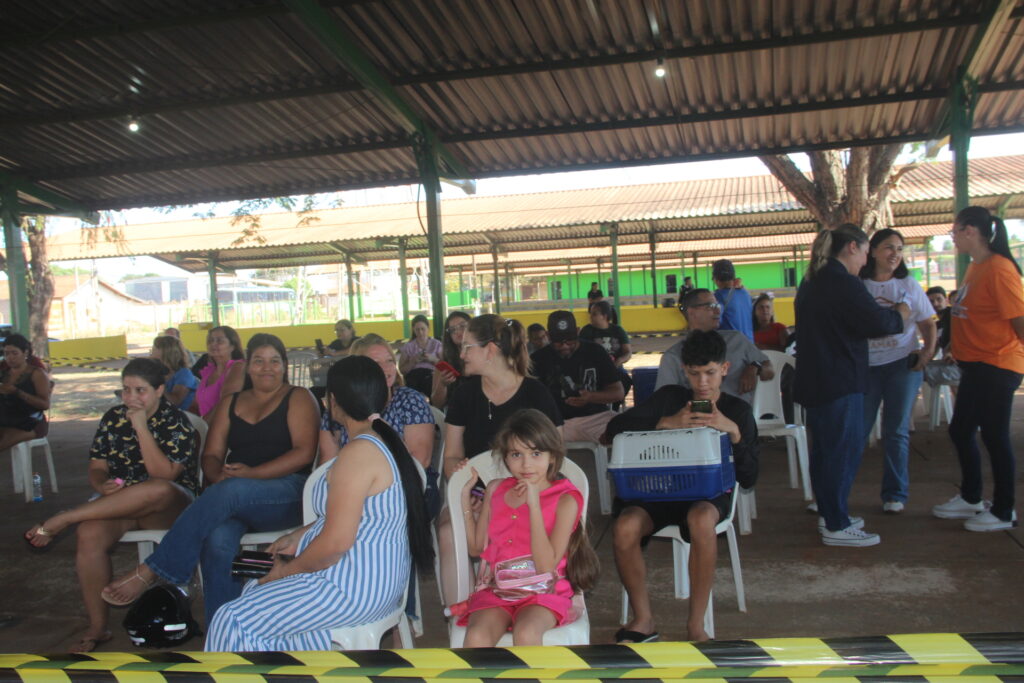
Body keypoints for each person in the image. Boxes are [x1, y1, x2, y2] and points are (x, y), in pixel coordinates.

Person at [204, 355, 434, 651]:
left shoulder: (359, 453)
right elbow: (356, 516)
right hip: (371, 584)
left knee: (231, 618)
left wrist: (287, 570)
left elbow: (336, 544)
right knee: (252, 596)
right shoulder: (381, 442)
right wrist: (298, 536)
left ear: (332, 401)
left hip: (348, 588)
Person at [102, 334, 320, 625]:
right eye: (258, 361)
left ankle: (156, 568)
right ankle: (224, 631)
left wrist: (249, 476)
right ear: (247, 366)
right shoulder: (231, 403)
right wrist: (217, 475)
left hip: (286, 493)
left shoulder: (298, 397)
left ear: (284, 365)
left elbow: (304, 454)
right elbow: (212, 453)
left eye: (274, 361)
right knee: (218, 539)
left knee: (232, 491)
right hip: (232, 497)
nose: (266, 368)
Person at [24, 358, 198, 653]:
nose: (131, 398)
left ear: (158, 390)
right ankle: (97, 627)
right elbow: (96, 466)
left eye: (140, 390)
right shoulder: (113, 418)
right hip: (121, 503)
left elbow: (164, 476)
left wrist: (141, 428)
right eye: (126, 390)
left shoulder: (176, 421)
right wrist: (100, 482)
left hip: (169, 507)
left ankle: (67, 517)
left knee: (155, 489)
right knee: (89, 533)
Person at [606, 330, 758, 643]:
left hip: (708, 495)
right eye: (694, 374)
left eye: (710, 373)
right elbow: (613, 429)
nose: (703, 382)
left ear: (725, 369)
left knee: (701, 518)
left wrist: (734, 434)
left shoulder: (738, 412)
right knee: (625, 526)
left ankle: (695, 625)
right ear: (684, 371)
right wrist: (664, 422)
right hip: (659, 492)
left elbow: (750, 477)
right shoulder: (670, 399)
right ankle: (643, 619)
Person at [795, 224, 909, 547]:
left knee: (826, 452)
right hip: (839, 380)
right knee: (841, 453)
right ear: (852, 248)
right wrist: (899, 313)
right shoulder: (843, 283)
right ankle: (837, 524)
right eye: (864, 251)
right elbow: (875, 321)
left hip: (819, 380)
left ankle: (831, 513)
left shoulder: (813, 279)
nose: (865, 261)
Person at [438, 313, 563, 604]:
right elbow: (452, 456)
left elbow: (556, 459)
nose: (461, 354)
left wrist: (512, 496)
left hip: (529, 494)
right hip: (479, 493)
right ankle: (462, 610)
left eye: (468, 347)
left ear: (490, 350)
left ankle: (521, 596)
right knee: (447, 531)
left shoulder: (536, 394)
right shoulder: (464, 394)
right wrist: (463, 489)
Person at [457, 409, 598, 647]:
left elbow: (546, 566)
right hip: (499, 589)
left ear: (552, 456)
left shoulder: (566, 499)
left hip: (544, 592)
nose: (526, 464)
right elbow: (475, 549)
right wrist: (464, 499)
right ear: (505, 457)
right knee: (477, 636)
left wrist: (534, 505)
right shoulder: (496, 489)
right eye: (515, 454)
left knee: (527, 632)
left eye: (535, 453)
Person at [932, 206, 1024, 531]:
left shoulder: (1000, 270)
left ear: (970, 231)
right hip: (975, 366)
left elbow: (1019, 321)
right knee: (960, 430)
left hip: (997, 364)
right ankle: (971, 497)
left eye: (954, 231)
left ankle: (1003, 510)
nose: (953, 237)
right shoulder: (976, 267)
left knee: (995, 436)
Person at [859, 229, 937, 514]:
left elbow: (928, 323)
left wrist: (926, 353)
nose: (895, 254)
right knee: (858, 431)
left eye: (900, 249)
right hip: (866, 369)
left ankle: (895, 493)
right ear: (873, 251)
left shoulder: (908, 285)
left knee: (896, 431)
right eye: (889, 247)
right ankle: (836, 493)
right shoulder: (859, 284)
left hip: (901, 366)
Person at [319, 333, 434, 471]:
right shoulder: (339, 406)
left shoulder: (410, 401)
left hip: (402, 485)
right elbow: (327, 462)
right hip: (349, 483)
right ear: (357, 370)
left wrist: (372, 484)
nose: (386, 368)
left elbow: (420, 459)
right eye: (376, 363)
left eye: (390, 360)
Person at [656, 289, 773, 404]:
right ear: (691, 312)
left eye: (718, 305)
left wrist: (754, 366)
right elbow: (664, 400)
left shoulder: (737, 340)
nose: (717, 311)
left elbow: (769, 369)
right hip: (696, 418)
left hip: (738, 416)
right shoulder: (673, 356)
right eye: (710, 306)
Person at [532, 310, 623, 443]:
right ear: (548, 336)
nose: (564, 345)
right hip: (554, 424)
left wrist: (591, 397)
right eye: (558, 341)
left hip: (596, 419)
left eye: (569, 340)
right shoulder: (537, 360)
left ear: (578, 331)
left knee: (626, 433)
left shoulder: (595, 352)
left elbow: (618, 392)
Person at [0, 333, 51, 452]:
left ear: (26, 353)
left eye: (14, 353)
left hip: (30, 421)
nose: (10, 358)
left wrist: (17, 392)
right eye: (6, 353)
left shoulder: (37, 374)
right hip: (7, 418)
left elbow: (44, 404)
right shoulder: (4, 372)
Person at [195, 326, 246, 420]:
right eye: (210, 341)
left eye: (219, 341)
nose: (213, 344)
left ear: (232, 346)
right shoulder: (208, 371)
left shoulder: (238, 367)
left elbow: (226, 402)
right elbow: (196, 404)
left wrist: (202, 424)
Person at [431, 311, 471, 409]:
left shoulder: (484, 356)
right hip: (455, 413)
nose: (458, 332)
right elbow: (436, 404)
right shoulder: (444, 363)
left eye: (462, 326)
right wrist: (442, 384)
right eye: (452, 330)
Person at [399, 314, 442, 397]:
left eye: (423, 329)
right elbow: (402, 370)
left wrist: (433, 359)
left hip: (431, 375)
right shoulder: (408, 346)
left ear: (428, 328)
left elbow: (445, 367)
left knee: (430, 384)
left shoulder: (437, 344)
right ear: (413, 330)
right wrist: (413, 361)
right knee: (411, 388)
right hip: (413, 376)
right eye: (417, 330)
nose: (420, 332)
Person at [152, 335, 198, 411]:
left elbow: (176, 401)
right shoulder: (159, 372)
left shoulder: (183, 374)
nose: (151, 352)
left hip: (184, 416)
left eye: (154, 348)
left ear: (166, 352)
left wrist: (155, 385)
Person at [712, 259, 754, 341]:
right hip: (749, 345)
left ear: (716, 278)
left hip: (732, 346)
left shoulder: (718, 296)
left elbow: (715, 322)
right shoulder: (745, 293)